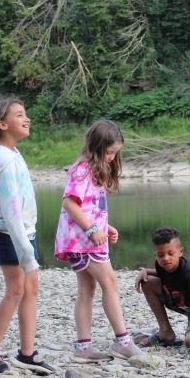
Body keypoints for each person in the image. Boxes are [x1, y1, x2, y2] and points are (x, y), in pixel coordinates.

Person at [55, 119, 144, 362]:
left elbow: (89, 207)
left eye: (116, 153)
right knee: (110, 282)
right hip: (82, 241)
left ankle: (84, 347)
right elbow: (69, 203)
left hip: (87, 237)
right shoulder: (81, 170)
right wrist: (93, 228)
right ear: (95, 147)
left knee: (87, 289)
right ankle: (122, 341)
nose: (112, 158)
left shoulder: (92, 171)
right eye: (109, 153)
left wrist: (105, 226)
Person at [0, 97, 55, 376]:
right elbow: (10, 213)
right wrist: (26, 253)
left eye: (26, 113)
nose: (27, 118)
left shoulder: (10, 154)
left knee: (30, 290)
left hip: (22, 232)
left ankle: (27, 353)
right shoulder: (4, 161)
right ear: (2, 124)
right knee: (16, 290)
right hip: (8, 233)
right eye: (19, 115)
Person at [134, 227, 190, 349]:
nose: (166, 258)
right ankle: (165, 332)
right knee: (147, 281)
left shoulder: (189, 272)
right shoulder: (161, 265)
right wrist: (145, 271)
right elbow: (162, 273)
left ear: (180, 252)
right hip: (183, 301)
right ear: (155, 254)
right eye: (160, 255)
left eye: (171, 253)